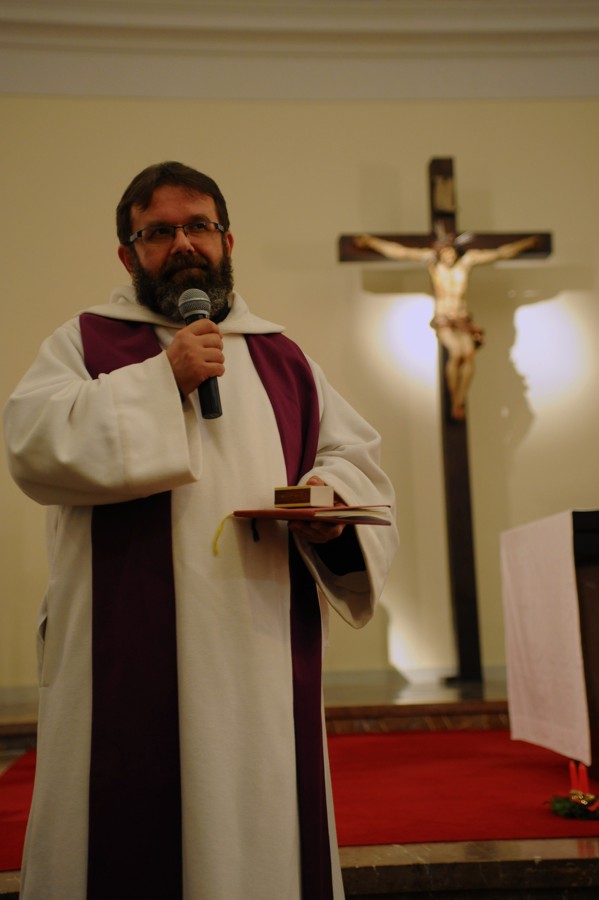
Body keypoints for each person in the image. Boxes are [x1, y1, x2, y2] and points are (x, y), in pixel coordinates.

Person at [4, 161, 398, 900]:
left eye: (199, 227)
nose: (183, 244)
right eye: (159, 232)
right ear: (128, 255)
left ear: (227, 241)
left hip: (256, 648)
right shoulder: (85, 343)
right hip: (125, 647)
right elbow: (32, 443)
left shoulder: (284, 357)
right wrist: (164, 379)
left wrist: (326, 504)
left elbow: (353, 459)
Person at [354, 231, 538, 420]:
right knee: (456, 354)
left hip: (463, 320)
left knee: (469, 355)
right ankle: (454, 400)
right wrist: (372, 242)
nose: (449, 256)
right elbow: (401, 252)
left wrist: (525, 244)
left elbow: (499, 253)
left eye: (451, 252)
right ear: (439, 252)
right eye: (445, 253)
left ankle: (459, 400)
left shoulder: (466, 263)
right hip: (444, 320)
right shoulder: (433, 264)